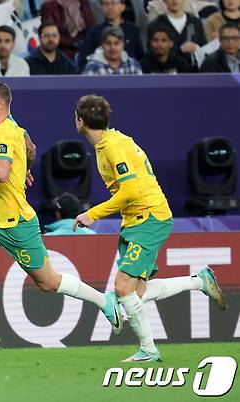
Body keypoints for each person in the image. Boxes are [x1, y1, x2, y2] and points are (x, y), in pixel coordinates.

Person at [0, 81, 122, 345]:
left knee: (48, 283)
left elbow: (1, 173)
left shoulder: (4, 131)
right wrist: (23, 167)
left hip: (17, 222)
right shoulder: (9, 126)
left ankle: (102, 300)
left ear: (0, 104)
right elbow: (30, 146)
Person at [72, 94, 227, 362]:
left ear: (80, 121)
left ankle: (148, 350)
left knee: (122, 288)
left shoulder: (112, 147)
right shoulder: (113, 141)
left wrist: (93, 214)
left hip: (148, 217)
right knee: (137, 293)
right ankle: (200, 281)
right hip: (138, 219)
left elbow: (131, 190)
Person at [78, 0, 144, 72]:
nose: (109, 7)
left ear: (123, 7)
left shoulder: (133, 30)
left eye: (113, 3)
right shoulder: (95, 31)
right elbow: (83, 60)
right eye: (105, 4)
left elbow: (141, 56)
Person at [146, 0, 206, 71]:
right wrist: (180, 50)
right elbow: (151, 55)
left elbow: (204, 49)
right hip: (166, 74)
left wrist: (197, 50)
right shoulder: (155, 25)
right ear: (164, 1)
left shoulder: (195, 23)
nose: (174, 0)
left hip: (194, 74)